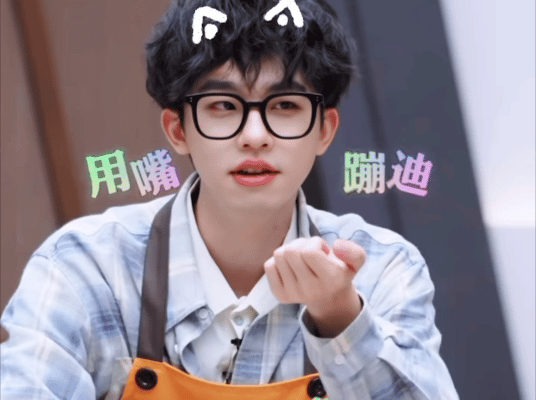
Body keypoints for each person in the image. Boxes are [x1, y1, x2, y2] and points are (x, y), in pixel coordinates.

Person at [0, 0, 459, 399]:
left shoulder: (382, 269)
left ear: (324, 130)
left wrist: (340, 315)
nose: (254, 136)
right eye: (223, 105)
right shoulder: (87, 267)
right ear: (178, 129)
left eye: (285, 105)